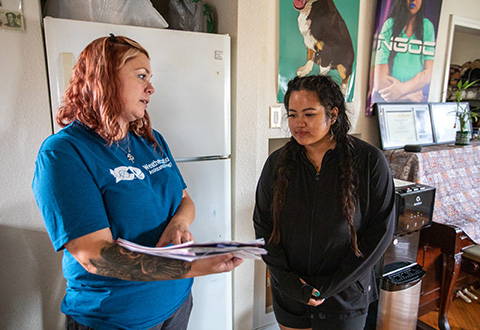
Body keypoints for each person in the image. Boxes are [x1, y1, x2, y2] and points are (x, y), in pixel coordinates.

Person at [32, 34, 243, 330]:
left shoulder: (150, 141)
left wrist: (178, 225)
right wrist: (192, 266)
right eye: (141, 76)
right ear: (104, 78)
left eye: (150, 77)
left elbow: (184, 200)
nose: (151, 88)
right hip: (117, 318)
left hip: (176, 303)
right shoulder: (64, 153)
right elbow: (98, 258)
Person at [253, 75, 395, 330]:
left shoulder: (369, 161)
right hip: (291, 294)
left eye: (309, 114)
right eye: (292, 114)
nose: (299, 124)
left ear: (333, 114)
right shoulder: (277, 163)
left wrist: (326, 288)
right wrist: (287, 282)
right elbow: (263, 225)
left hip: (345, 296)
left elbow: (380, 234)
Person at [373, 0, 435, 103]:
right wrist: (409, 95)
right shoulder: (389, 25)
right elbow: (379, 82)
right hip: (388, 103)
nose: (413, 1)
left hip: (414, 105)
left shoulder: (427, 27)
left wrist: (402, 89)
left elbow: (428, 74)